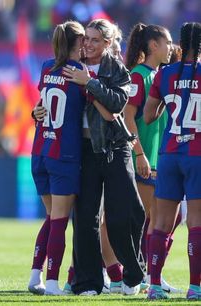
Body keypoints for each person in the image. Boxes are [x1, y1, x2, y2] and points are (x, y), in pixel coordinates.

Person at [63, 18, 145, 296]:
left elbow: (117, 104)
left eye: (95, 39)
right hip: (83, 151)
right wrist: (36, 112)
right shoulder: (73, 67)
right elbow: (56, 98)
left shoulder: (118, 70)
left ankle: (133, 274)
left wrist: (90, 83)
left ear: (108, 44)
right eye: (86, 38)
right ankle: (88, 283)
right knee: (85, 218)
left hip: (114, 148)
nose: (87, 43)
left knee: (123, 214)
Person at [28, 20, 86, 295]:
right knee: (60, 220)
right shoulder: (80, 72)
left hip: (40, 150)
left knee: (52, 217)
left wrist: (34, 114)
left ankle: (34, 275)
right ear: (79, 43)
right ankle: (52, 282)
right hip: (64, 153)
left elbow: (41, 105)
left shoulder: (46, 67)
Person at [144, 22, 201, 300]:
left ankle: (154, 286)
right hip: (197, 155)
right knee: (197, 224)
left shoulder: (165, 74)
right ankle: (195, 288)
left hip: (168, 154)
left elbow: (147, 116)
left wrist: (169, 104)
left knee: (161, 223)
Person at [124, 23, 182, 293]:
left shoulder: (162, 76)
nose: (171, 47)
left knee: (172, 218)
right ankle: (148, 275)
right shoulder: (139, 76)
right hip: (146, 157)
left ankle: (152, 273)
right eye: (167, 42)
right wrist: (139, 154)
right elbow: (127, 117)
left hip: (162, 158)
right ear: (153, 46)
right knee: (155, 217)